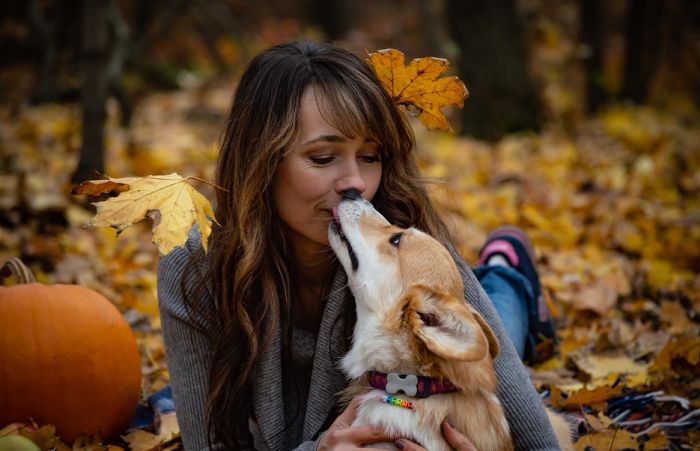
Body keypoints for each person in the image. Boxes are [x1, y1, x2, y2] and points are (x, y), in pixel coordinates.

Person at [157, 41, 559, 450]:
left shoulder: (395, 238)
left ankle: (506, 274)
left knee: (484, 345)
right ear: (261, 162)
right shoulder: (196, 263)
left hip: (440, 339)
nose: (356, 183)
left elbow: (536, 437)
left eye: (370, 156)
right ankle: (502, 275)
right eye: (323, 157)